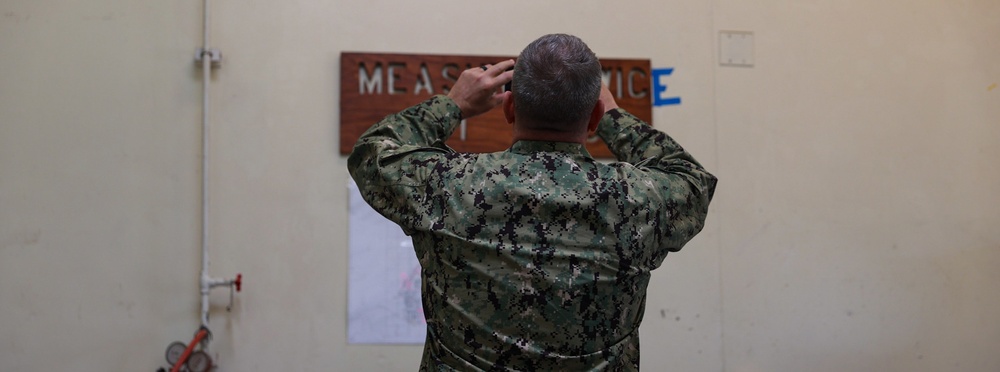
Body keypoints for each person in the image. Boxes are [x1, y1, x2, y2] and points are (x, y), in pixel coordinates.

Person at [348, 34, 717, 371]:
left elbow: (372, 152)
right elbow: (690, 178)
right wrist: (614, 118)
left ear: (509, 109)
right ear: (593, 117)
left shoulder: (449, 186)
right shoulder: (637, 199)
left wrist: (452, 104)